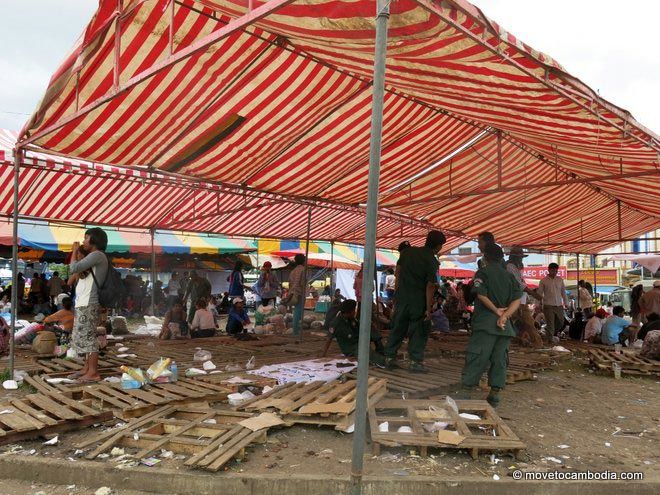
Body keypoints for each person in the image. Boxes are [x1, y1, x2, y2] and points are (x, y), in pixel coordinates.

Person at [460, 243, 522, 407]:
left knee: (478, 357)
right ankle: (494, 395)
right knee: (500, 359)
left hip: (486, 324)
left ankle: (466, 392)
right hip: (504, 327)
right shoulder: (509, 276)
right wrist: (505, 315)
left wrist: (496, 311)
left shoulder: (483, 272)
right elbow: (517, 299)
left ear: (485, 257)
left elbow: (480, 294)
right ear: (501, 257)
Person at [385, 230, 445, 373]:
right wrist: (428, 309)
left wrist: (397, 295)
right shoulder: (432, 260)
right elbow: (430, 286)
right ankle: (415, 362)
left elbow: (397, 272)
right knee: (418, 331)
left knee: (398, 328)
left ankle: (389, 358)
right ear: (438, 246)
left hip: (402, 299)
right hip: (418, 301)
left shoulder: (407, 253)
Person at [68, 227, 109, 383]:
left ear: (94, 241)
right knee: (83, 336)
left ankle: (93, 372)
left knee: (88, 337)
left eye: (86, 238)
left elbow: (74, 268)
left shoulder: (97, 255)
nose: (84, 241)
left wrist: (73, 252)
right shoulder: (95, 256)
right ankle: (87, 369)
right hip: (84, 303)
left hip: (89, 303)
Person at [321, 299, 385, 367]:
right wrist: (323, 353)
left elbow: (360, 328)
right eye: (354, 310)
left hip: (357, 340)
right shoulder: (335, 323)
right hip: (350, 347)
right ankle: (383, 362)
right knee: (364, 352)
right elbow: (329, 339)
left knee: (370, 328)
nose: (355, 312)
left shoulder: (352, 319)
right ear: (349, 312)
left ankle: (381, 350)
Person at [537, 263, 569, 340]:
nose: (554, 272)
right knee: (550, 323)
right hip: (548, 305)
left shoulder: (560, 280)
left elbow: (563, 292)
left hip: (559, 305)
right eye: (553, 270)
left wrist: (566, 303)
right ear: (549, 270)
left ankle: (548, 333)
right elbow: (539, 293)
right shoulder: (543, 281)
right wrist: (538, 304)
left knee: (561, 322)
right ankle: (550, 340)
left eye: (556, 271)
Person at [286, 254, 306, 336]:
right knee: (298, 312)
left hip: (293, 292)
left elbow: (290, 283)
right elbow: (302, 283)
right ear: (303, 261)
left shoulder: (293, 271)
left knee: (296, 311)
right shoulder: (303, 270)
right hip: (300, 292)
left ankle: (296, 330)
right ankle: (296, 331)